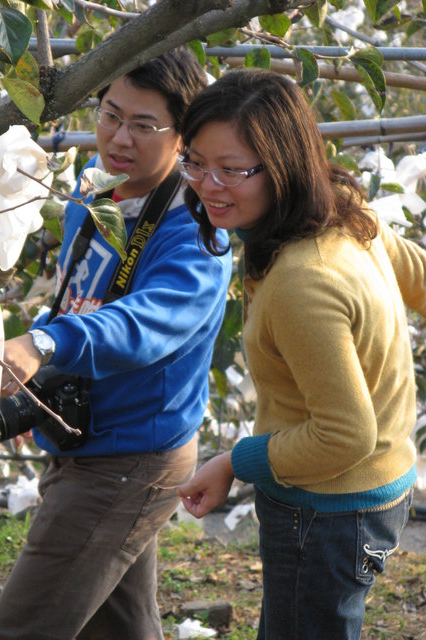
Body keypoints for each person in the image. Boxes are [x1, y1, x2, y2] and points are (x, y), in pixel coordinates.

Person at [0, 48, 232, 640]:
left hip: (129, 457)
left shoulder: (196, 230)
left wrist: (45, 343)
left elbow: (143, 324)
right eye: (110, 114)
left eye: (145, 126)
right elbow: (81, 293)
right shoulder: (96, 186)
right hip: (91, 436)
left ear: (183, 138)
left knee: (20, 630)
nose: (120, 138)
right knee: (119, 628)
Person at [176, 68, 425, 640]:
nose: (208, 185)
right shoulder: (340, 210)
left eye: (232, 169)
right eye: (194, 161)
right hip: (374, 486)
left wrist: (235, 462)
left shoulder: (302, 281)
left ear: (282, 165)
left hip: (328, 507)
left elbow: (343, 435)